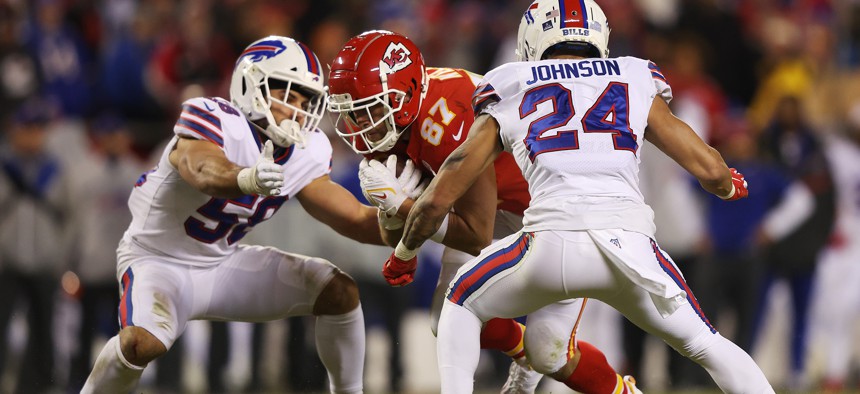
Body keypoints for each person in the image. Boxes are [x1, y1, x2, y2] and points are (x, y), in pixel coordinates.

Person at [393, 1, 775, 392]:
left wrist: (404, 251)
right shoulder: (632, 73)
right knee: (705, 343)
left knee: (459, 302)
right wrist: (728, 184)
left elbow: (451, 181)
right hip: (632, 249)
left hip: (552, 245)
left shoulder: (511, 80)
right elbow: (709, 169)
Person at [328, 30, 638, 393]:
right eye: (356, 112)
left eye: (373, 108)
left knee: (551, 352)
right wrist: (389, 210)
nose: (364, 124)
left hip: (550, 206)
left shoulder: (449, 114)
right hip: (493, 204)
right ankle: (523, 355)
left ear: (408, 90)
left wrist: (404, 205)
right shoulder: (394, 120)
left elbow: (476, 233)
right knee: (446, 316)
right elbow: (394, 234)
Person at [81, 36, 385, 394]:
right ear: (250, 83)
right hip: (157, 260)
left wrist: (418, 219)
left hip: (222, 265)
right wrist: (244, 177)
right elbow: (199, 167)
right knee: (139, 344)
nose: (298, 111)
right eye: (288, 95)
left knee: (339, 292)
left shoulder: (308, 150)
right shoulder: (214, 116)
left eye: (306, 101)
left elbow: (355, 219)